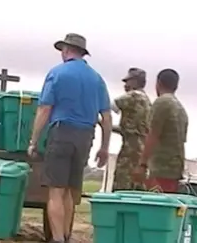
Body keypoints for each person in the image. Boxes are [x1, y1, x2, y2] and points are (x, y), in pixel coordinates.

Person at [28, 33, 112, 243]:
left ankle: (57, 239)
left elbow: (45, 109)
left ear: (66, 51)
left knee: (55, 191)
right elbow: (107, 116)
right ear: (83, 53)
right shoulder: (97, 78)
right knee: (70, 192)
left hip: (62, 132)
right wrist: (104, 147)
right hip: (86, 136)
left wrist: (34, 140)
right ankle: (66, 235)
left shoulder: (57, 73)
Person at [133, 69, 188, 193]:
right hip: (175, 167)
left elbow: (153, 135)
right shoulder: (181, 109)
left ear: (158, 83)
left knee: (155, 207)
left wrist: (142, 164)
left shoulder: (161, 103)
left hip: (161, 167)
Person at [111, 68, 151, 191]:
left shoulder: (133, 96)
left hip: (130, 149)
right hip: (142, 150)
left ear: (135, 82)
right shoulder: (147, 100)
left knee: (122, 184)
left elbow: (109, 106)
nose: (125, 86)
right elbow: (133, 128)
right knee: (136, 187)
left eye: (128, 82)